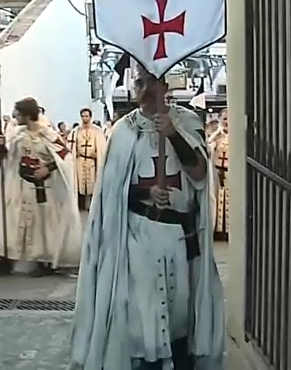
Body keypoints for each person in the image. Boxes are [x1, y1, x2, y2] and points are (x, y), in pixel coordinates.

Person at [70, 65, 225, 370]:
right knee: (144, 312)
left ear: (164, 84)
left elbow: (198, 174)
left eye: (150, 82)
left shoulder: (188, 121)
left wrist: (173, 135)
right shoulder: (124, 132)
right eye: (139, 82)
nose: (144, 89)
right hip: (139, 236)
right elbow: (111, 194)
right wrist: (146, 194)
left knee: (180, 312)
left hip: (180, 238)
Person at [0, 97, 83, 277]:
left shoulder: (48, 134)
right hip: (20, 187)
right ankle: (5, 259)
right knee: (13, 222)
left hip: (43, 188)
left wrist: (47, 168)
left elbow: (65, 156)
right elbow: (8, 157)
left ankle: (43, 261)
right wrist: (1, 147)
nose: (16, 117)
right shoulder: (18, 135)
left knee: (42, 225)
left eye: (19, 114)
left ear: (28, 115)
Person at [68, 108, 107, 212]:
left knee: (92, 182)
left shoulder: (96, 131)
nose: (85, 118)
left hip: (91, 161)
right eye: (83, 116)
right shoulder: (75, 132)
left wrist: (97, 154)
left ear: (90, 117)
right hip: (80, 160)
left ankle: (91, 204)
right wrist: (75, 152)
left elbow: (101, 146)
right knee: (80, 182)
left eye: (86, 116)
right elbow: (71, 146)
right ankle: (81, 204)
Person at [210, 109, 229, 240]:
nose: (226, 122)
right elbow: (209, 148)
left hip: (230, 170)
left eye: (228, 119)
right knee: (216, 198)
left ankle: (228, 229)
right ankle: (217, 229)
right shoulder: (216, 135)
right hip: (217, 170)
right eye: (224, 119)